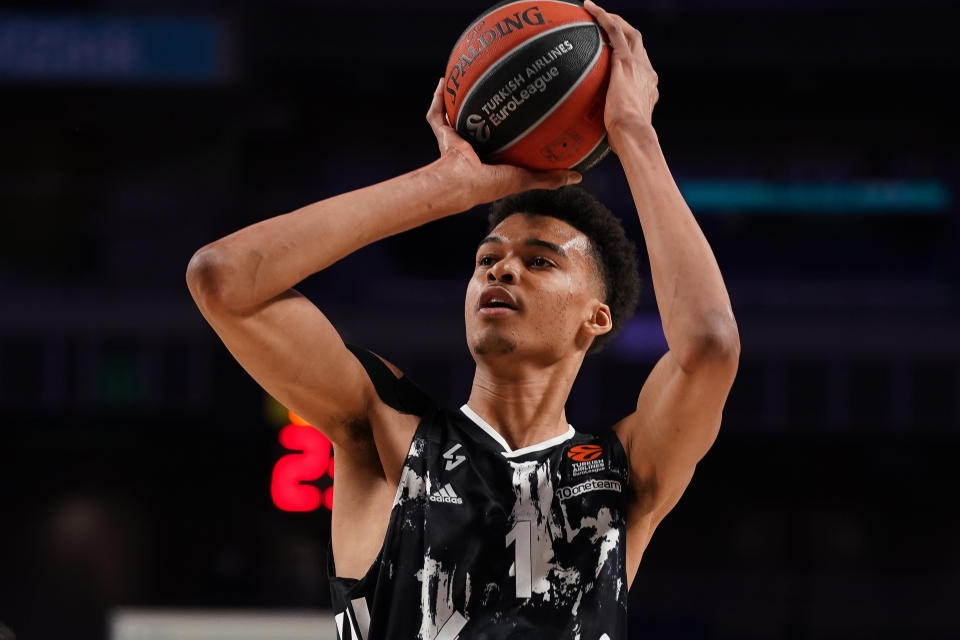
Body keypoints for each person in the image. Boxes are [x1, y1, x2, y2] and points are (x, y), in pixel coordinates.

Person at [186, 2, 739, 638]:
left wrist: (635, 133)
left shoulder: (624, 472)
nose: (501, 272)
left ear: (597, 318)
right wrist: (445, 187)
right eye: (487, 259)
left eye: (539, 262)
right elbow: (222, 280)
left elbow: (711, 345)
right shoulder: (387, 433)